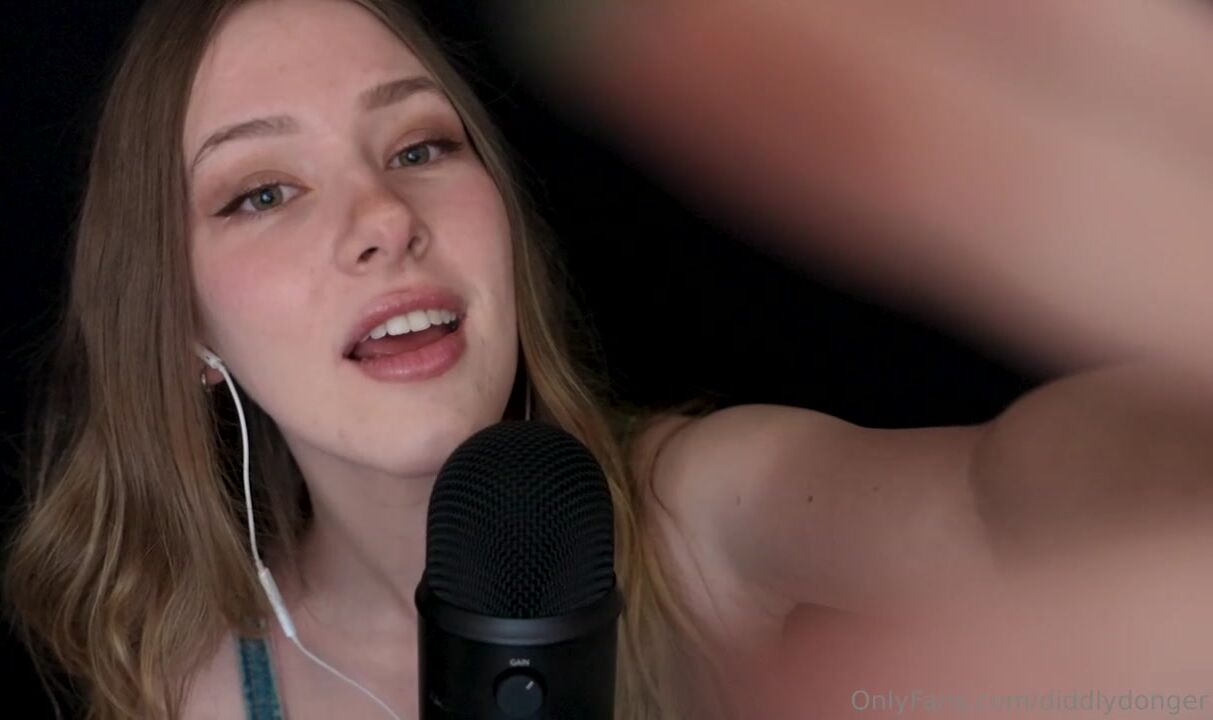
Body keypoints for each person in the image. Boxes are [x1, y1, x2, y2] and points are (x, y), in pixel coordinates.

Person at [4, 1, 1213, 719]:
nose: (382, 218)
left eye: (420, 146)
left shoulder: (701, 520)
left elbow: (1001, 501)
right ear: (184, 331)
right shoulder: (193, 683)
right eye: (262, 191)